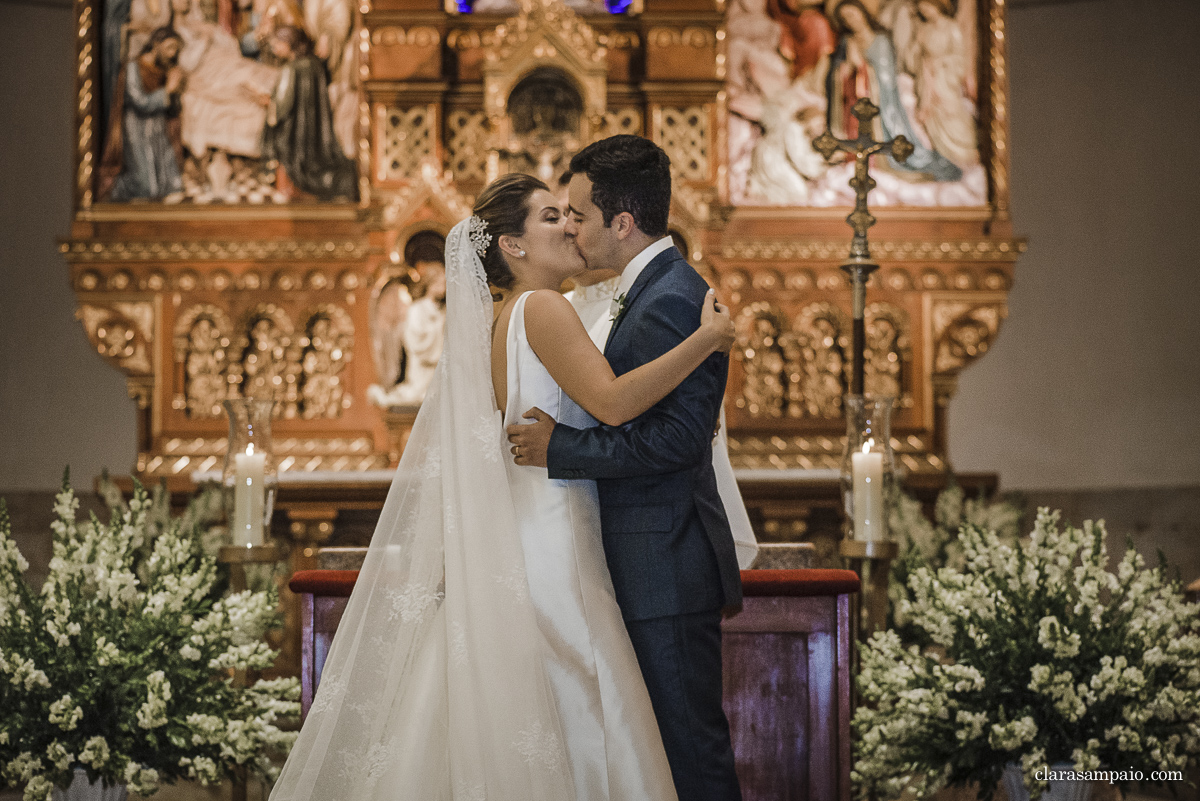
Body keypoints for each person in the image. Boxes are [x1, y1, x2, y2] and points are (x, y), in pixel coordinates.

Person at [268, 171, 735, 801]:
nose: (569, 225)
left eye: (570, 215)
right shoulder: (542, 307)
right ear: (510, 247)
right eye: (550, 218)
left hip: (521, 520)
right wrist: (706, 341)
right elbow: (616, 403)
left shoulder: (496, 318)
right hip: (554, 531)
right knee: (578, 694)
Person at [507, 135, 745, 801]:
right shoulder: (637, 291)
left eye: (578, 215)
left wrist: (561, 450)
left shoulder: (673, 297)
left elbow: (673, 443)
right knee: (655, 753)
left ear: (622, 222)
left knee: (689, 752)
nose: (571, 229)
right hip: (641, 558)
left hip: (664, 562)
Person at [259, 26, 358, 200]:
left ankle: (287, 187)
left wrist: (268, 103)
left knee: (275, 139)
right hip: (315, 132)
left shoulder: (290, 69)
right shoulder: (314, 65)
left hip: (293, 134)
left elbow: (281, 106)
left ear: (289, 43)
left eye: (278, 44)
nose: (275, 48)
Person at [100, 27, 187, 202]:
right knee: (144, 184)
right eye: (169, 47)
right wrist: (168, 90)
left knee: (167, 180)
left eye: (175, 50)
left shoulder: (163, 70)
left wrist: (175, 88)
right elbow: (139, 100)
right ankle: (115, 191)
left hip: (156, 127)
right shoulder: (133, 67)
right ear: (156, 45)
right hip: (136, 127)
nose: (172, 54)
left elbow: (171, 107)